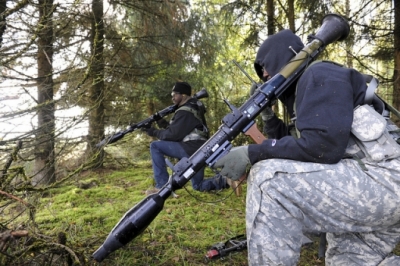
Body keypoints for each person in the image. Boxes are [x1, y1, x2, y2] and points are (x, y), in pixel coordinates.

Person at [214, 29, 400, 265]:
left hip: (384, 180)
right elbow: (293, 147)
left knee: (269, 182)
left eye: (265, 65)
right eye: (261, 72)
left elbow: (323, 147)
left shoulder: (317, 73)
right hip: (374, 188)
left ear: (283, 56)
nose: (265, 74)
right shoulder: (305, 97)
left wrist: (253, 153)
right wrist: (268, 116)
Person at [142, 81, 229, 195]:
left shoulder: (185, 111)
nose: (172, 97)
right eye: (171, 95)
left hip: (190, 149)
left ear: (183, 95)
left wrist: (153, 131)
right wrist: (160, 121)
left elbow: (173, 135)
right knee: (198, 185)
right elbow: (177, 130)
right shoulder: (192, 108)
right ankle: (226, 181)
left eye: (175, 94)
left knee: (155, 146)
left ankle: (161, 186)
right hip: (199, 150)